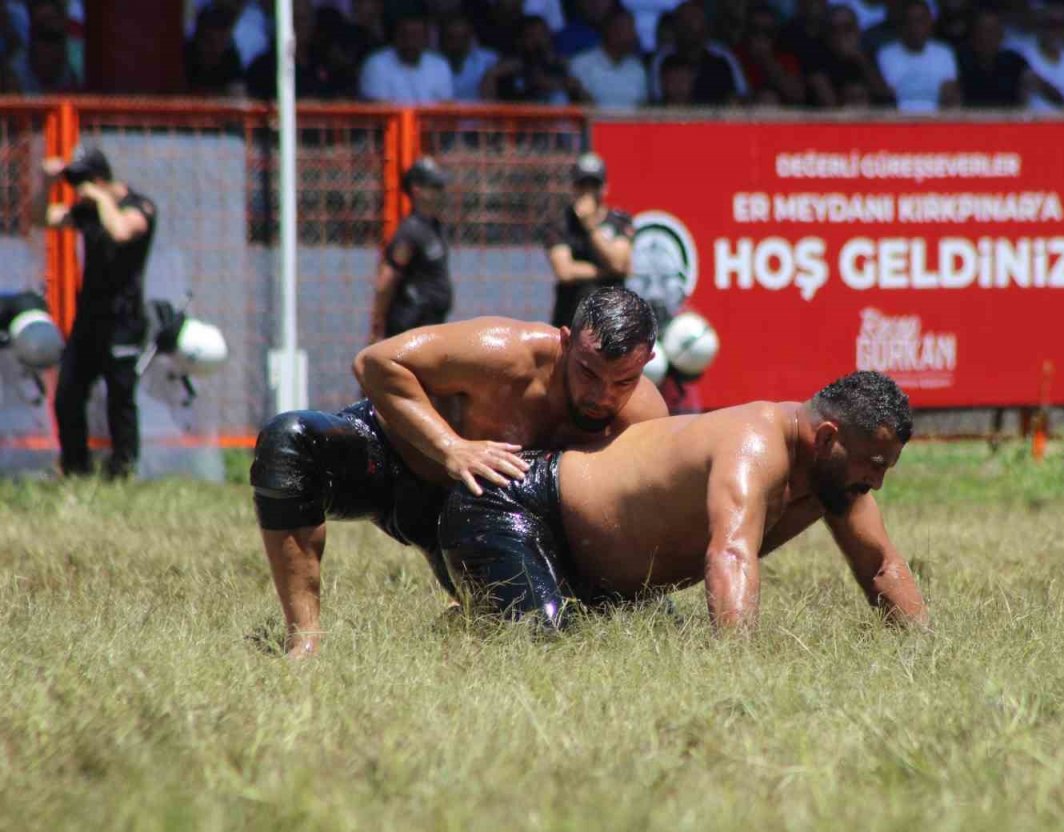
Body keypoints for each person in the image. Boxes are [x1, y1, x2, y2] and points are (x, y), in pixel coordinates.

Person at [250, 287, 669, 657]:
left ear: (648, 362)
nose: (601, 396)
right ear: (565, 341)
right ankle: (303, 640)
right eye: (588, 372)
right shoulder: (503, 351)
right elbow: (376, 363)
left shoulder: (643, 418)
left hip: (482, 519)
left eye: (623, 381)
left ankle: (469, 610)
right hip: (396, 459)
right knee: (289, 442)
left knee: (541, 631)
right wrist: (451, 447)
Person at [438, 370, 928, 631]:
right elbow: (730, 554)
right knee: (540, 637)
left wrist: (925, 650)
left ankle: (492, 602)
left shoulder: (838, 477)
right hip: (511, 505)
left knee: (620, 632)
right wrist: (738, 681)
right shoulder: (754, 445)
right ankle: (471, 617)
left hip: (597, 573)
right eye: (873, 465)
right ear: (826, 437)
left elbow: (881, 565)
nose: (876, 482)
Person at [38, 148, 157, 478]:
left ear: (101, 179)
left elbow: (120, 231)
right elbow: (42, 219)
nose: (80, 189)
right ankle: (76, 467)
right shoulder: (88, 211)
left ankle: (123, 469)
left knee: (119, 396)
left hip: (124, 320)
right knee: (68, 394)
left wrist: (101, 198)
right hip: (89, 317)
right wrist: (47, 184)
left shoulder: (139, 207)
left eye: (85, 181)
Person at [543, 152, 634, 329]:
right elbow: (565, 271)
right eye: (582, 184)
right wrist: (605, 272)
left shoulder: (619, 221)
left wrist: (590, 226)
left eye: (594, 184)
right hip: (570, 319)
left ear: (605, 187)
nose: (588, 191)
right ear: (574, 187)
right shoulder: (560, 223)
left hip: (612, 319)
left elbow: (618, 263)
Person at [370, 157, 453, 343]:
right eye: (435, 187)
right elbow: (386, 282)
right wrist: (377, 326)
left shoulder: (434, 227)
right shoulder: (410, 232)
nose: (441, 192)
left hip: (429, 327)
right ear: (417, 190)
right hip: (410, 328)